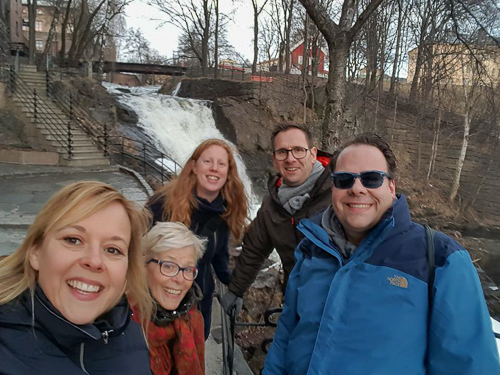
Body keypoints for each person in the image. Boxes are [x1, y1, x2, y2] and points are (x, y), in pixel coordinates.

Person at [263, 133, 500, 374]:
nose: (357, 188)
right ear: (333, 188)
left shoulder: (441, 260)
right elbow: (286, 335)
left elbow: (469, 366)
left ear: (391, 186)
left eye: (371, 178)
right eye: (344, 179)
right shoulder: (311, 250)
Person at [0, 181, 153, 374]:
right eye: (73, 240)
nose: (94, 261)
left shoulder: (130, 332)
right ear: (35, 252)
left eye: (113, 249)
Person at [221, 123, 332, 313]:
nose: (290, 159)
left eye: (298, 150)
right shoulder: (271, 205)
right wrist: (236, 291)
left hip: (340, 304)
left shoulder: (339, 192)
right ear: (274, 160)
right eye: (282, 152)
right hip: (297, 303)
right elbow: (254, 250)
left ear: (313, 154)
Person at [148, 139, 248, 339]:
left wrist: (235, 289)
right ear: (194, 166)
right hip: (159, 305)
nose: (214, 168)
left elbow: (219, 258)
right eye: (207, 161)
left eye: (221, 164)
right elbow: (139, 253)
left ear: (228, 172)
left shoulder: (224, 211)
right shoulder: (163, 205)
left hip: (198, 303)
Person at [136, 222, 207, 375]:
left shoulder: (193, 319)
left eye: (187, 269)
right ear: (143, 265)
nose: (180, 279)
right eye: (168, 266)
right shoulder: (120, 324)